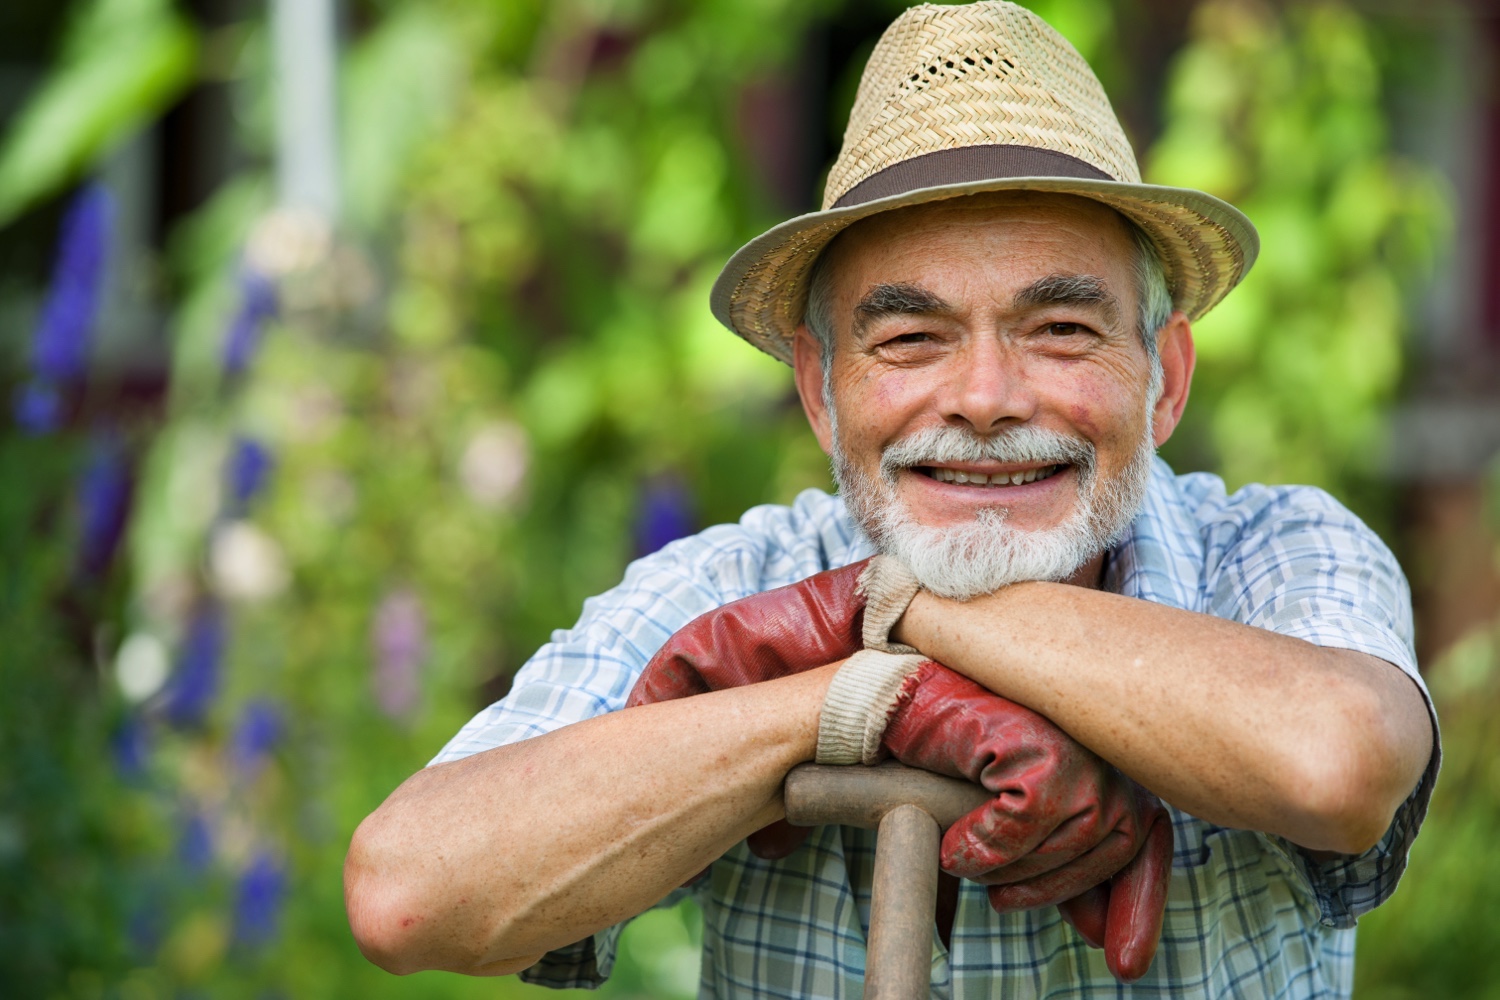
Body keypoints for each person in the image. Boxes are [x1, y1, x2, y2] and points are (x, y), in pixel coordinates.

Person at [343, 3, 1438, 996]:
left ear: (1166, 379)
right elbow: (409, 890)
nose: (984, 398)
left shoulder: (1272, 547)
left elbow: (1336, 759)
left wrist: (895, 606)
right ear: (822, 393)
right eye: (911, 339)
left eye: (1060, 329)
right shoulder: (735, 577)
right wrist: (854, 699)